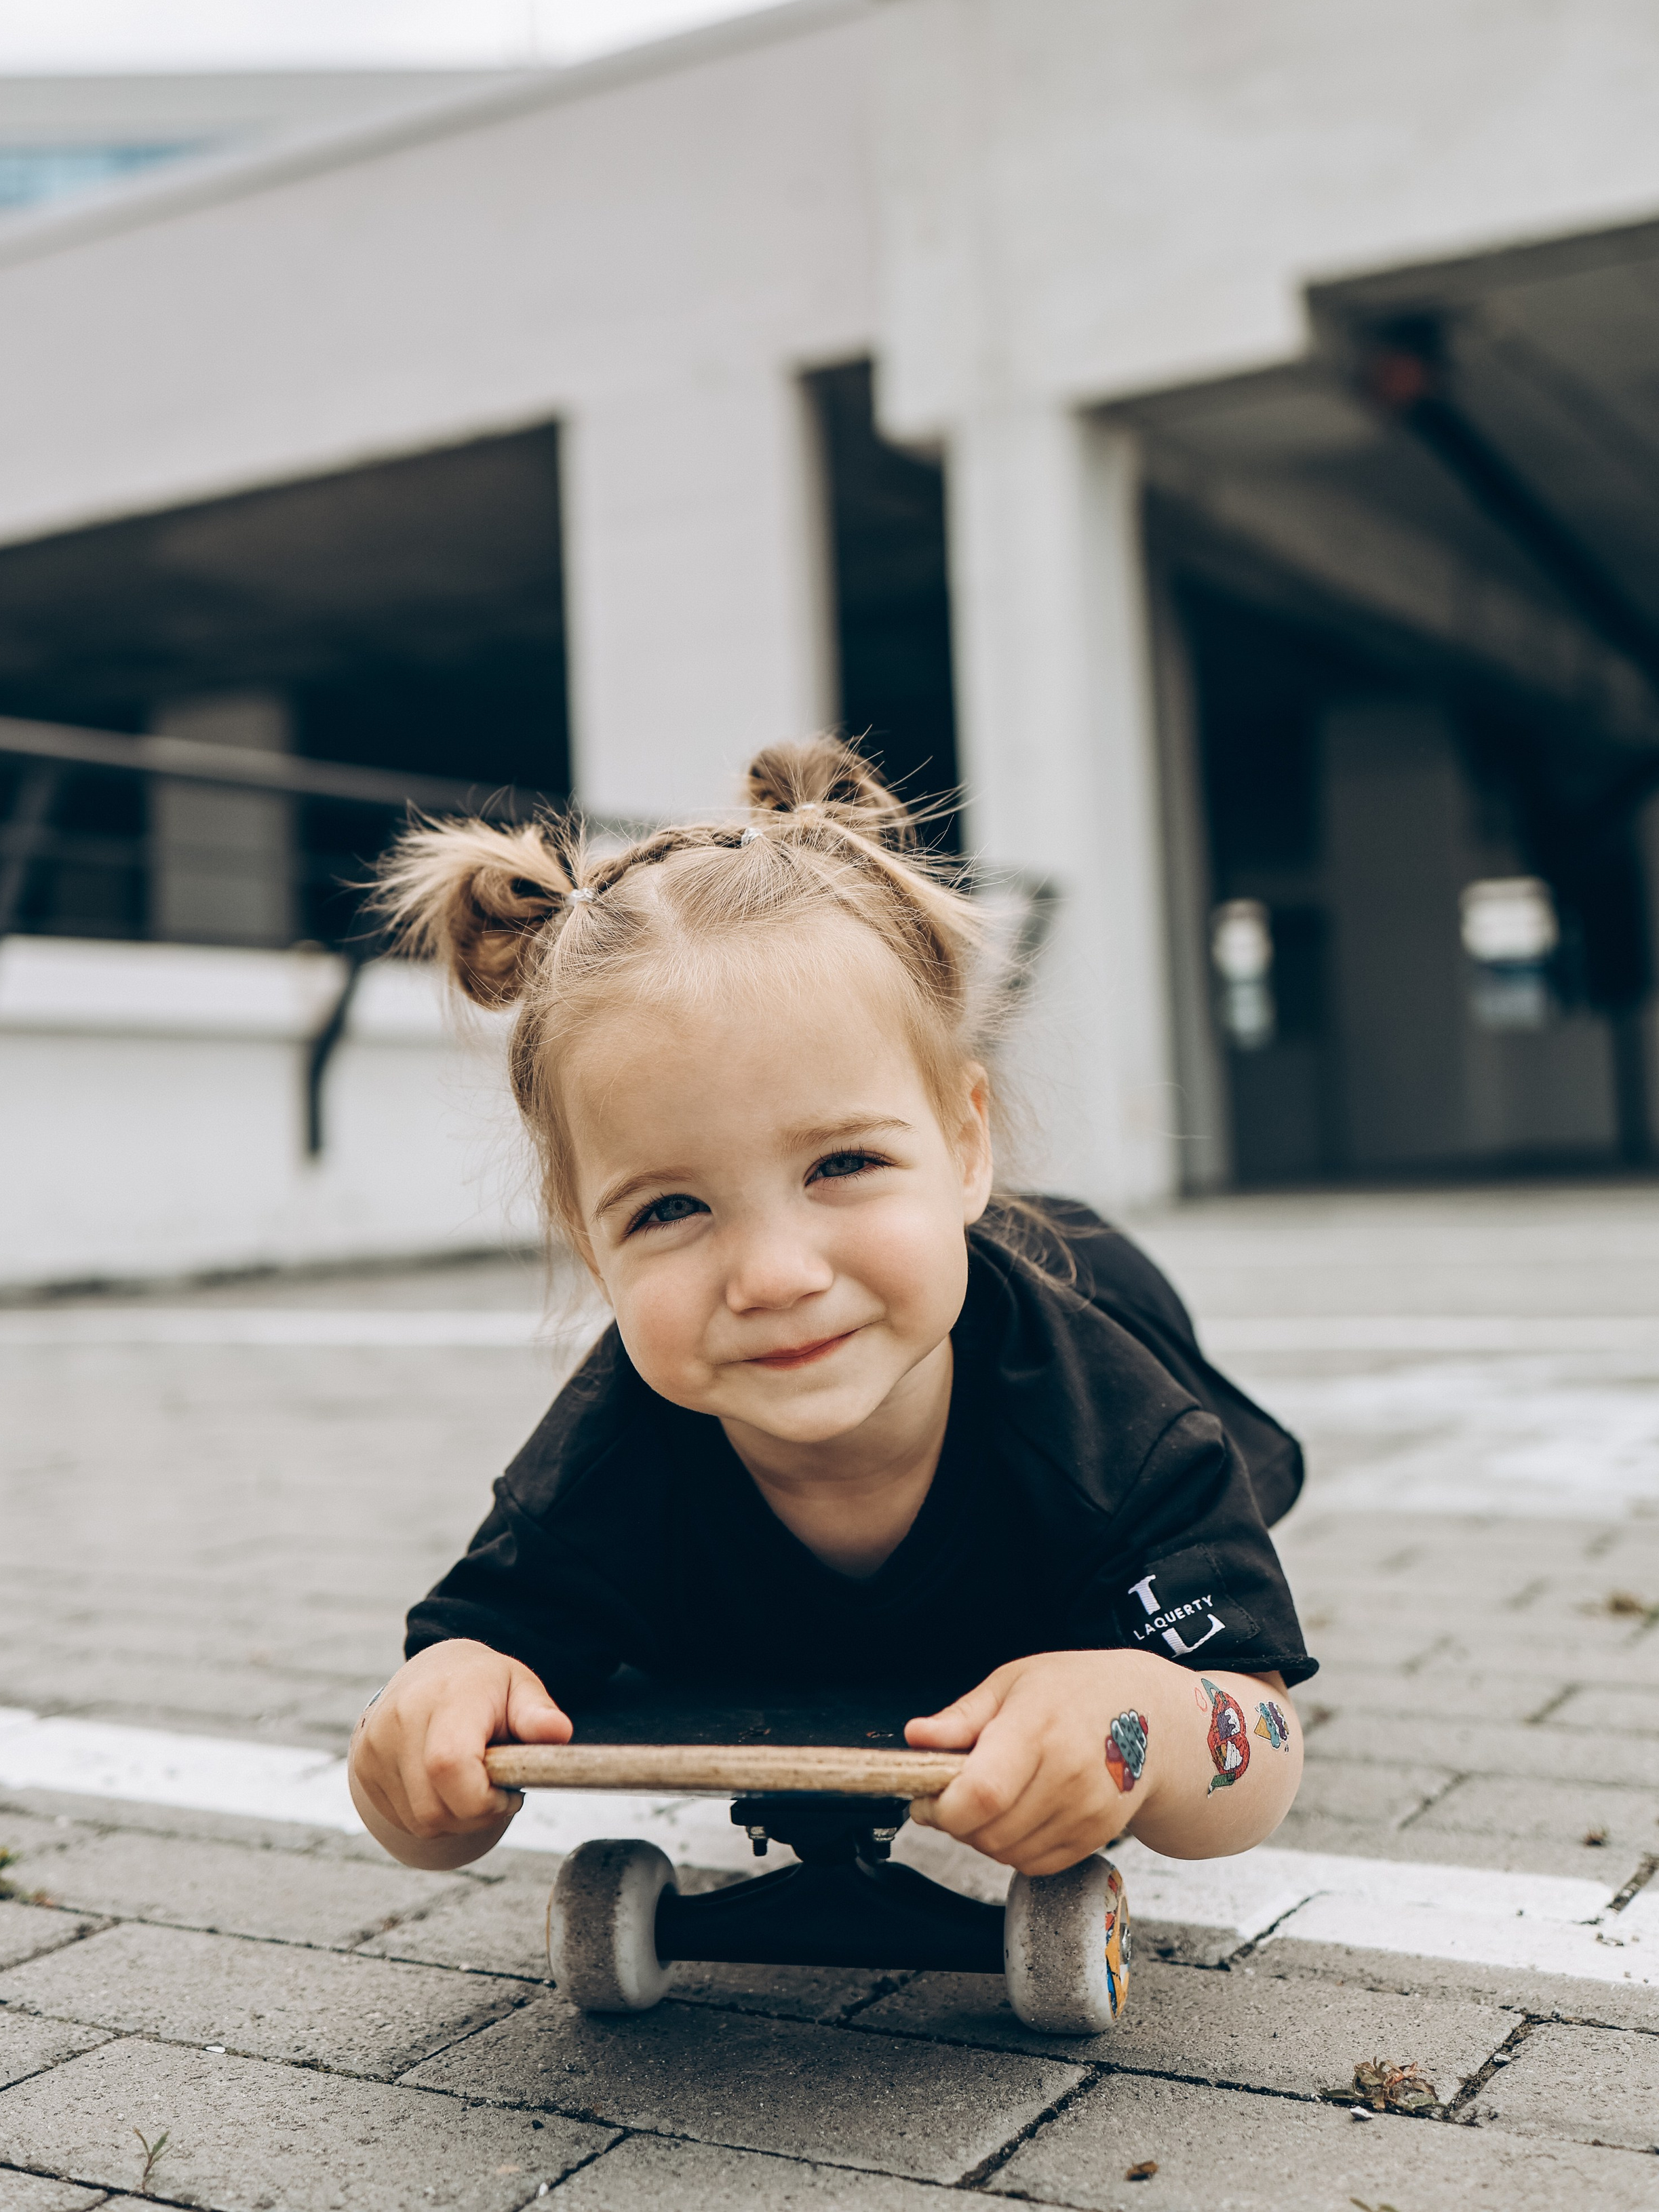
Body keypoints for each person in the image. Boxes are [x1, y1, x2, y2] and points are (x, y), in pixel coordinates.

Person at [348, 737, 1312, 1882]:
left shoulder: (1116, 1429)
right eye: (669, 1209)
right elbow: (433, 1809)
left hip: (1098, 1289)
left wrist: (1148, 1716)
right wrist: (432, 1725)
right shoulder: (610, 1460)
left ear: (967, 1143)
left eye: (842, 1163)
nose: (773, 1275)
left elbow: (1258, 1749)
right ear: (591, 1244)